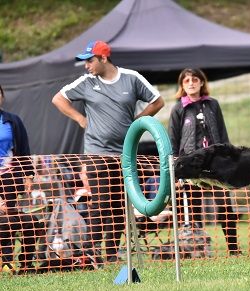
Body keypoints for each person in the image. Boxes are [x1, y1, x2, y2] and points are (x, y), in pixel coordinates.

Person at [52, 40, 165, 262]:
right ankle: (89, 252)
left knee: (120, 203)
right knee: (101, 203)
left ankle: (111, 253)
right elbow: (58, 99)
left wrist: (138, 122)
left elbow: (157, 101)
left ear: (104, 58)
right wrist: (79, 118)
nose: (87, 66)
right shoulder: (86, 82)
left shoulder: (131, 78)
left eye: (90, 60)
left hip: (125, 152)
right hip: (96, 153)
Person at [168, 68, 240, 255]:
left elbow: (223, 134)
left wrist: (230, 160)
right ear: (182, 85)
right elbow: (172, 142)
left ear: (202, 83)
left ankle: (233, 248)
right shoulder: (178, 109)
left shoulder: (213, 105)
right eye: (187, 81)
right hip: (191, 167)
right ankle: (198, 250)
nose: (191, 83)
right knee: (193, 208)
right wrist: (176, 171)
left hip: (216, 166)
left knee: (225, 206)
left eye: (195, 80)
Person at [0, 84, 37, 273]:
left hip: (9, 177)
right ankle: (5, 259)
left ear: (2, 96)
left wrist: (29, 174)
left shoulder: (12, 121)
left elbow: (23, 150)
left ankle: (21, 262)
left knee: (12, 217)